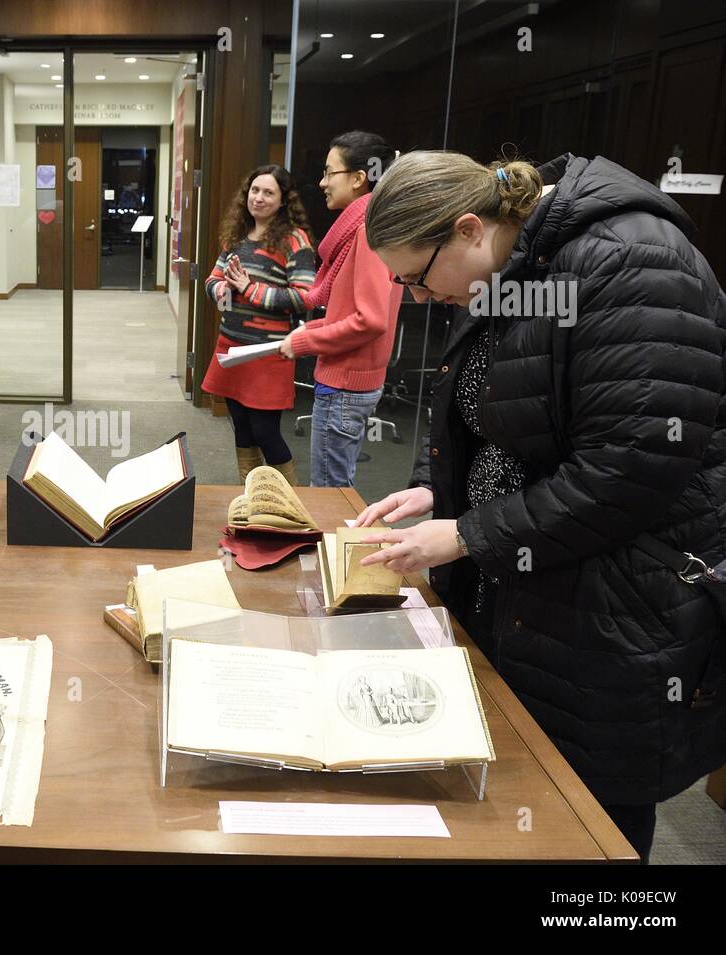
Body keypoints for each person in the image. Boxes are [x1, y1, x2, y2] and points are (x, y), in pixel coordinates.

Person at [353, 149, 726, 863]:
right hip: (524, 575)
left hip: (616, 600)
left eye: (417, 279)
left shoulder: (634, 263)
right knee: (510, 794)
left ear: (467, 228)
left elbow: (626, 472)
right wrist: (444, 487)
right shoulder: (506, 269)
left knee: (586, 818)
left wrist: (464, 533)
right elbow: (508, 419)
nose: (419, 300)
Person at [277, 131, 404, 488]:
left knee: (330, 495)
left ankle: (340, 546)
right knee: (332, 490)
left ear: (358, 178)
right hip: (348, 380)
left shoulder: (367, 230)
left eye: (330, 173)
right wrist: (310, 333)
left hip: (345, 384)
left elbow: (370, 320)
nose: (321, 182)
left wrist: (305, 341)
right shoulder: (365, 227)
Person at [200, 164, 317, 484]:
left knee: (266, 432)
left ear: (283, 201)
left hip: (267, 351)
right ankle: (253, 498)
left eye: (269, 192)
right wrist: (222, 288)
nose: (259, 198)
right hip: (231, 346)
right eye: (255, 190)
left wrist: (250, 290)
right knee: (242, 428)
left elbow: (305, 298)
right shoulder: (237, 236)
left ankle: (293, 501)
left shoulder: (295, 240)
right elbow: (212, 279)